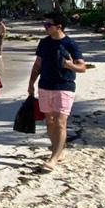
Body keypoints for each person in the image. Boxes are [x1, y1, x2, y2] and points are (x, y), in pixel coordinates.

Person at [27, 12, 86, 171]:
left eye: (48, 25)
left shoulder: (70, 44)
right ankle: (58, 151)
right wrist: (31, 83)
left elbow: (82, 67)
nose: (45, 27)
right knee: (50, 122)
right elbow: (38, 64)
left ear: (58, 26)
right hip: (45, 85)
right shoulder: (44, 43)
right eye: (44, 24)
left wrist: (70, 66)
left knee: (60, 122)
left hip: (64, 86)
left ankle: (53, 158)